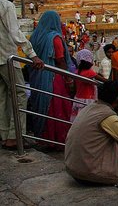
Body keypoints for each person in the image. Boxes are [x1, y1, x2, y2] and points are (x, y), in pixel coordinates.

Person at [64, 80, 118, 195]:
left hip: (75, 169)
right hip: (90, 174)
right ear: (117, 100)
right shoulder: (108, 117)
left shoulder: (90, 107)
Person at [0, 0, 44, 149]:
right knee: (19, 95)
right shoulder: (7, 6)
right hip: (7, 58)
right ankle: (14, 137)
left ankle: (4, 135)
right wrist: (32, 54)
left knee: (2, 97)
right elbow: (15, 33)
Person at [29, 10, 75, 148]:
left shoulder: (35, 36)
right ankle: (56, 141)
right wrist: (69, 79)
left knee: (41, 107)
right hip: (53, 78)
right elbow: (60, 61)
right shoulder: (55, 38)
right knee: (57, 108)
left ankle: (43, 138)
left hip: (37, 77)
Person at [70, 49, 106, 122]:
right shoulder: (89, 73)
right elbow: (104, 80)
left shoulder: (77, 71)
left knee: (78, 120)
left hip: (78, 98)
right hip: (87, 100)